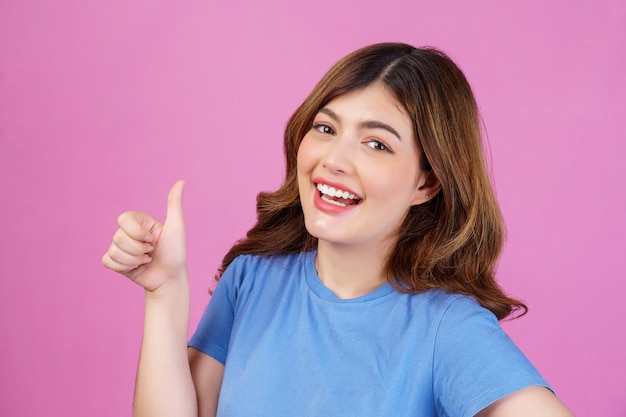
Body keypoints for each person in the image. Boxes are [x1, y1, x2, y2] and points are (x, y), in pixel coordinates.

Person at [102, 43, 574, 417]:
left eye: (375, 143)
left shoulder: (446, 328)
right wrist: (164, 292)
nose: (334, 160)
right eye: (326, 129)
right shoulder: (251, 281)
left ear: (426, 182)